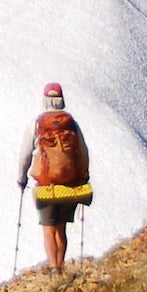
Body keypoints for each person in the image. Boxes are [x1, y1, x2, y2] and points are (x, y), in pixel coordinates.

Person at [18, 82, 92, 272]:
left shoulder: (36, 124)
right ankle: (60, 264)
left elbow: (25, 154)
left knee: (48, 228)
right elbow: (83, 152)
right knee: (61, 229)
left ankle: (54, 269)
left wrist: (22, 178)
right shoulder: (71, 124)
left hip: (45, 184)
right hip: (69, 182)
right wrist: (83, 175)